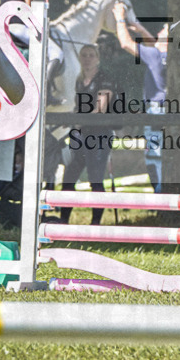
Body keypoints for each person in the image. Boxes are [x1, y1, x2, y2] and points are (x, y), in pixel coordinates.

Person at [57, 44, 121, 226]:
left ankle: (95, 223)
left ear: (98, 58)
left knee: (95, 179)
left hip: (100, 135)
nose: (87, 59)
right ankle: (63, 220)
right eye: (84, 55)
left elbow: (100, 108)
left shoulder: (104, 79)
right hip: (81, 136)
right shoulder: (79, 80)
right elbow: (80, 108)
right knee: (69, 178)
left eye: (91, 55)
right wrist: (72, 118)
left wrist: (79, 120)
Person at [0, 0, 65, 105]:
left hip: (3, 25)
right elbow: (29, 10)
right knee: (57, 53)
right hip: (19, 27)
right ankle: (46, 92)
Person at [112, 2, 168, 192]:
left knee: (154, 156)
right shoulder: (165, 56)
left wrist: (120, 18)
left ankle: (160, 194)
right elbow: (154, 45)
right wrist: (141, 29)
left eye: (163, 31)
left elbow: (125, 43)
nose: (159, 32)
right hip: (168, 110)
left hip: (156, 113)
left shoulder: (155, 56)